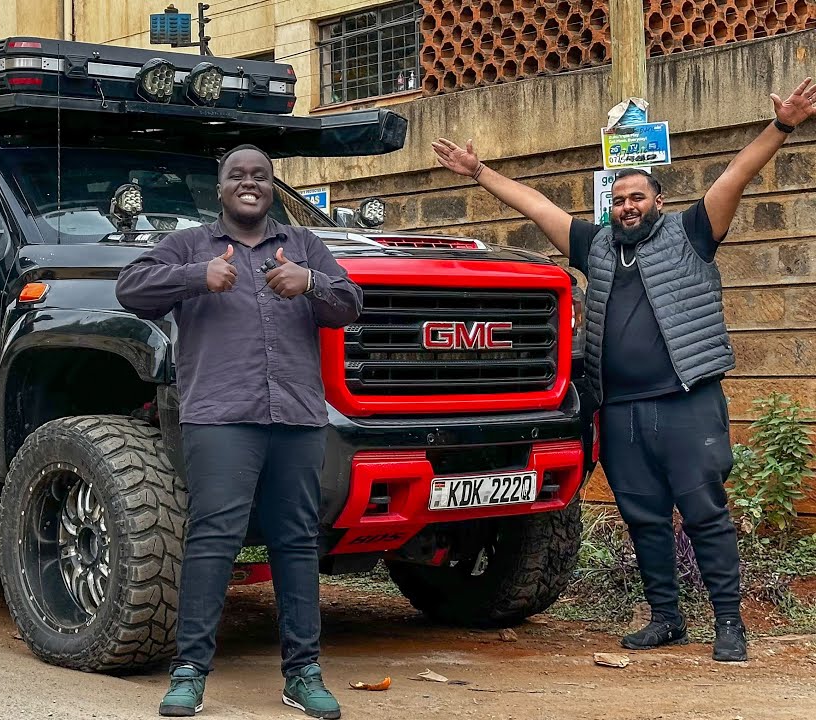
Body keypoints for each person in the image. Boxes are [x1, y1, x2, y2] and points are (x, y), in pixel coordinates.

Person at [431, 79, 816, 663]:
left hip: (685, 402)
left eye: (637, 196)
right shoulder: (599, 246)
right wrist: (479, 172)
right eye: (618, 198)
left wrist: (782, 126)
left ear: (657, 200)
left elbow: (735, 176)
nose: (627, 205)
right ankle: (665, 617)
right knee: (643, 517)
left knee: (706, 512)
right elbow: (538, 208)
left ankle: (729, 622)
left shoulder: (692, 235)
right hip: (622, 411)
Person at [116, 145, 363, 718]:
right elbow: (131, 288)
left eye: (261, 175)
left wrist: (312, 283)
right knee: (213, 539)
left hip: (298, 417)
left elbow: (352, 302)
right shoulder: (189, 246)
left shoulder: (302, 246)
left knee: (297, 541)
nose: (249, 183)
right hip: (221, 416)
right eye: (237, 175)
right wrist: (196, 278)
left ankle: (303, 672)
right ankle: (189, 673)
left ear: (273, 186)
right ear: (220, 187)